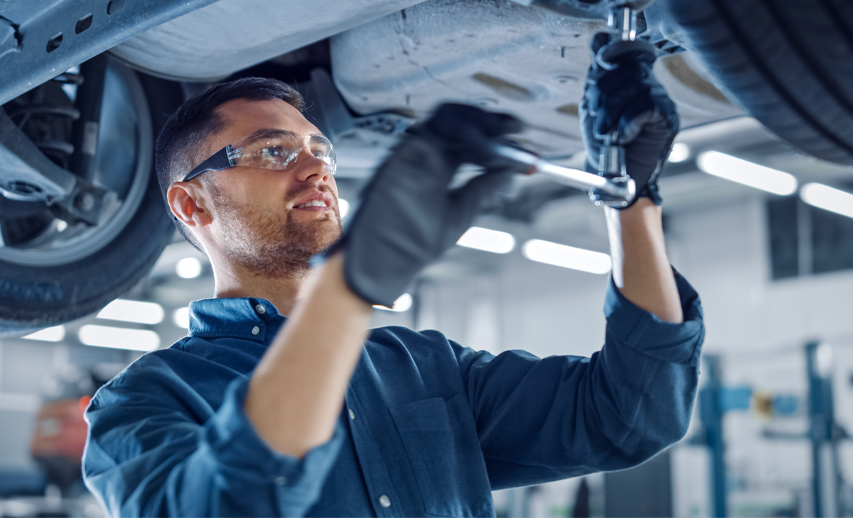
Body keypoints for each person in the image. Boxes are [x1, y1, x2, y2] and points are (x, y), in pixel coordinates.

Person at [82, 37, 704, 517]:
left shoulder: (424, 367)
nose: (315, 170)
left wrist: (632, 200)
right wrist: (347, 289)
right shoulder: (141, 404)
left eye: (320, 151)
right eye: (274, 151)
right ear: (191, 205)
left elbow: (631, 414)